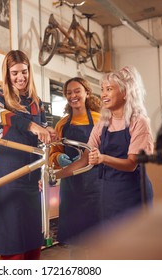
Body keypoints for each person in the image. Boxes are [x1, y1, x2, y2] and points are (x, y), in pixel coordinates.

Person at [54, 66, 154, 224]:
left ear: (125, 92)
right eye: (102, 89)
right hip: (107, 193)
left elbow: (131, 165)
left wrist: (102, 158)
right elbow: (85, 159)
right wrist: (55, 176)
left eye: (109, 89)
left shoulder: (139, 121)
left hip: (133, 193)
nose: (104, 95)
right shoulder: (103, 123)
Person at [0, 50, 57, 260]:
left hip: (31, 180)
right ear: (7, 74)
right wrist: (30, 125)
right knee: (13, 244)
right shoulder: (0, 97)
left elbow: (43, 136)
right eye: (15, 73)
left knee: (32, 244)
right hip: (9, 179)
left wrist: (48, 133)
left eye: (24, 72)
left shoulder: (37, 102)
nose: (20, 77)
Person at [49, 77, 102, 249]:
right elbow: (53, 153)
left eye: (77, 91)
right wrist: (59, 159)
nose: (73, 95)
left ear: (87, 92)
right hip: (71, 188)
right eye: (69, 93)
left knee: (98, 240)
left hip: (96, 187)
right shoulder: (62, 124)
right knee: (75, 243)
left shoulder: (100, 120)